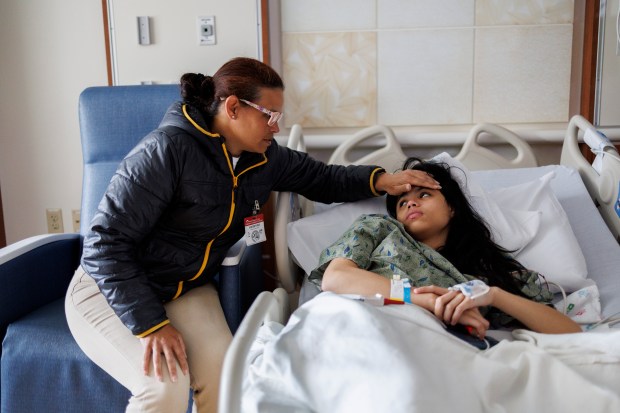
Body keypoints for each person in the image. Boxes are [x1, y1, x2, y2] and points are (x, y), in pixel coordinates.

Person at [64, 57, 440, 413]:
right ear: (232, 108)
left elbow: (321, 178)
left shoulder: (263, 157)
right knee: (164, 387)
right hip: (109, 288)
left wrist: (382, 180)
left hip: (182, 286)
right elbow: (104, 246)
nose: (276, 126)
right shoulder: (165, 152)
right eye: (269, 115)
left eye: (279, 116)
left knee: (227, 376)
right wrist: (150, 325)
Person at [309, 157, 581, 340]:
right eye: (402, 202)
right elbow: (336, 279)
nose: (411, 204)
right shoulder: (377, 229)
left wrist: (494, 295)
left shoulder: (484, 276)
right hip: (356, 328)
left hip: (435, 347)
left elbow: (571, 335)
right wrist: (424, 299)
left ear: (452, 207)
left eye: (423, 195)